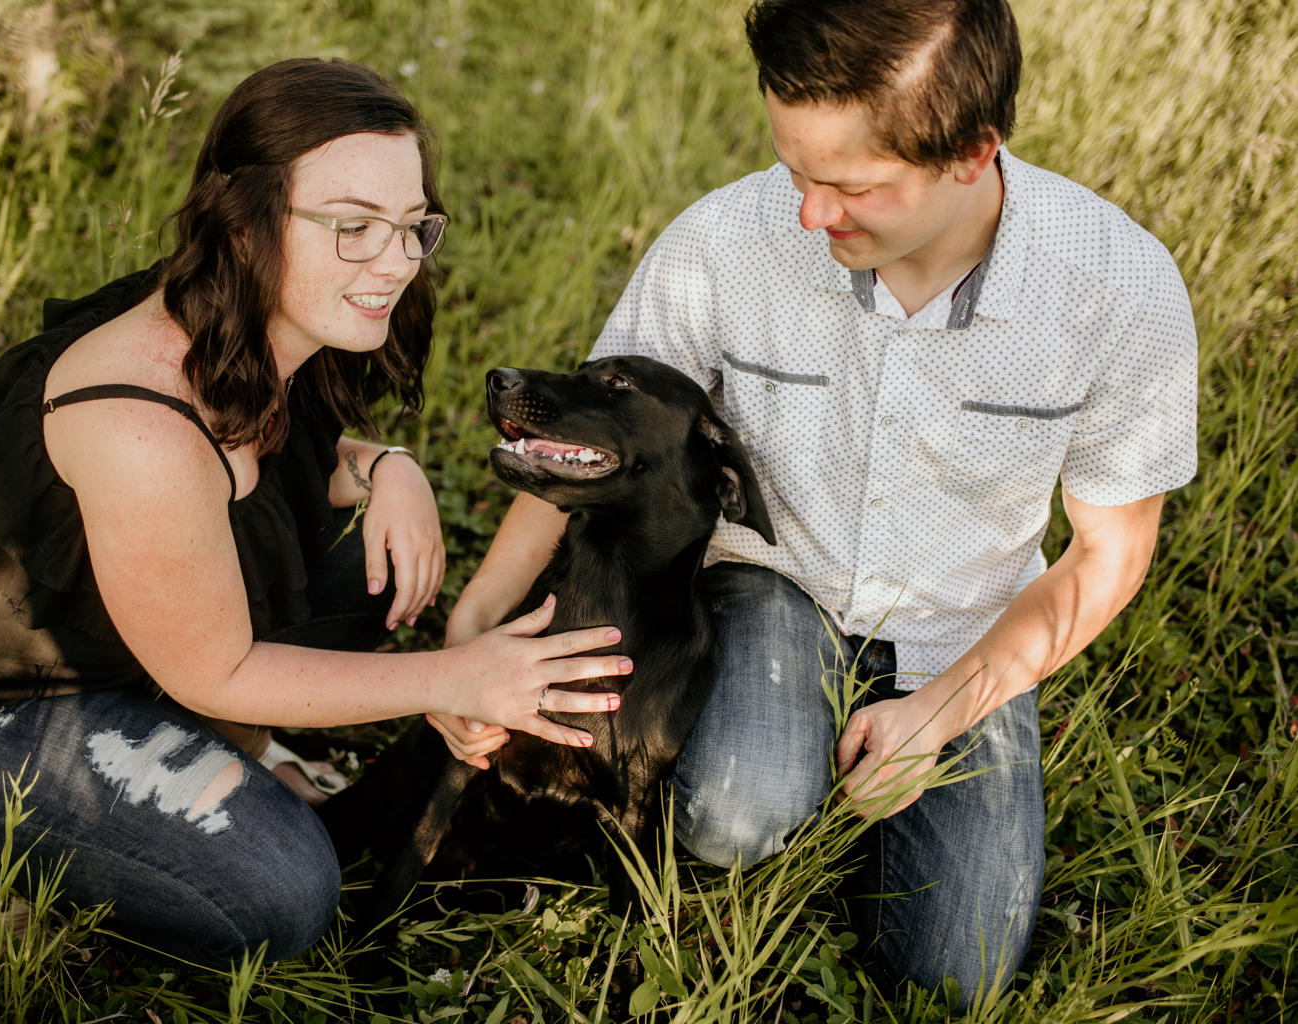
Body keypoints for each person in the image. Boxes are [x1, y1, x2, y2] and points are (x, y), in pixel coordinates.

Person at [442, 0, 1197, 1004]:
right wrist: (480, 619)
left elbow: (1108, 556)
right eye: (795, 170)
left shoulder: (1116, 287)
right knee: (729, 815)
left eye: (850, 186)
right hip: (771, 583)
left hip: (964, 630)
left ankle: (871, 789)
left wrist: (937, 713)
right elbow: (596, 443)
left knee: (956, 979)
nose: (807, 213)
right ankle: (794, 785)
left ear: (974, 152)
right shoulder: (721, 241)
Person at [0, 58, 632, 967]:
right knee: (286, 889)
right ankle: (35, 869)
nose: (397, 262)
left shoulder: (259, 321)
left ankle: (222, 764)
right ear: (248, 225)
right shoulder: (140, 420)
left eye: (414, 225)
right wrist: (456, 678)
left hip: (142, 648)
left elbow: (286, 460)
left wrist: (389, 466)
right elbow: (215, 669)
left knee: (375, 575)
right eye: (353, 228)